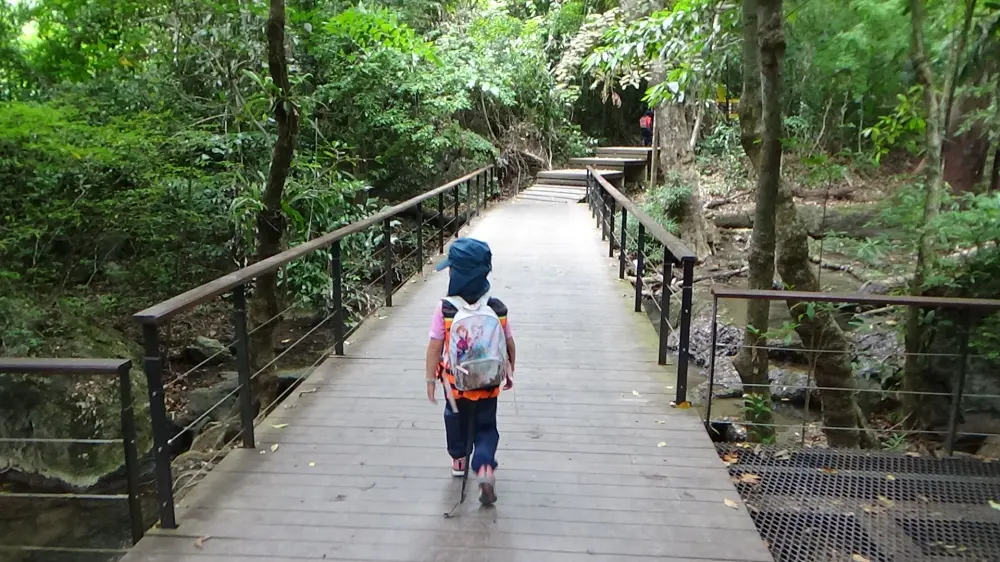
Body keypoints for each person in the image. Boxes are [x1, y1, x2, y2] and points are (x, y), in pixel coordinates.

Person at [425, 238, 516, 505]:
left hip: (456, 385)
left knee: (455, 420)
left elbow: (434, 347)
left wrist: (430, 379)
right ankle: (485, 466)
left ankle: (459, 457)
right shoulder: (496, 307)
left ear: (454, 273)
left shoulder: (445, 309)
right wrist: (509, 370)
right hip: (488, 382)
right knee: (487, 426)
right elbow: (509, 343)